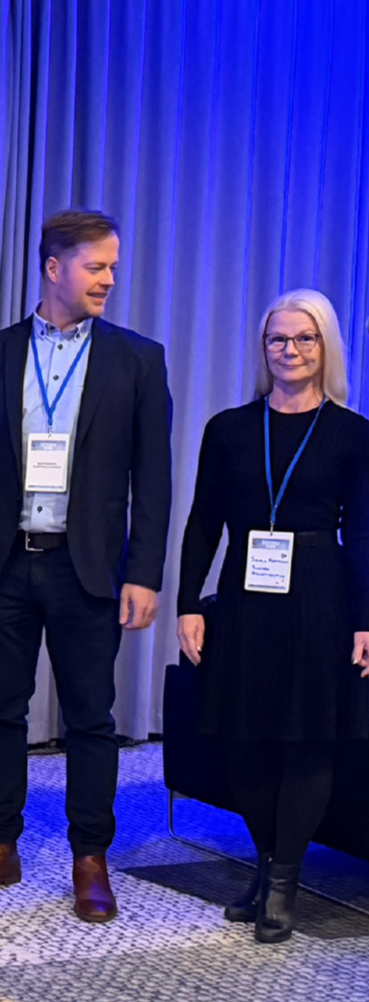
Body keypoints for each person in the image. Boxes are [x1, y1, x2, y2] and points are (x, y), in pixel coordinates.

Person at [0, 209, 172, 922]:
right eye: (96, 267)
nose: (109, 279)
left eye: (112, 267)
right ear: (53, 268)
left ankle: (90, 858)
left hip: (87, 568)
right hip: (4, 563)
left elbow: (153, 480)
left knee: (91, 719)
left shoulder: (138, 359)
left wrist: (145, 573)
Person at [176, 289, 369, 943]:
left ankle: (283, 884)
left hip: (320, 598)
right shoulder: (228, 428)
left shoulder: (352, 433)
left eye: (304, 338)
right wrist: (189, 603)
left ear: (325, 347)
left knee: (307, 742)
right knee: (245, 742)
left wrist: (365, 620)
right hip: (243, 597)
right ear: (263, 349)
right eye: (278, 339)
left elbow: (363, 533)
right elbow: (203, 523)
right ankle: (265, 865)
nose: (290, 350)